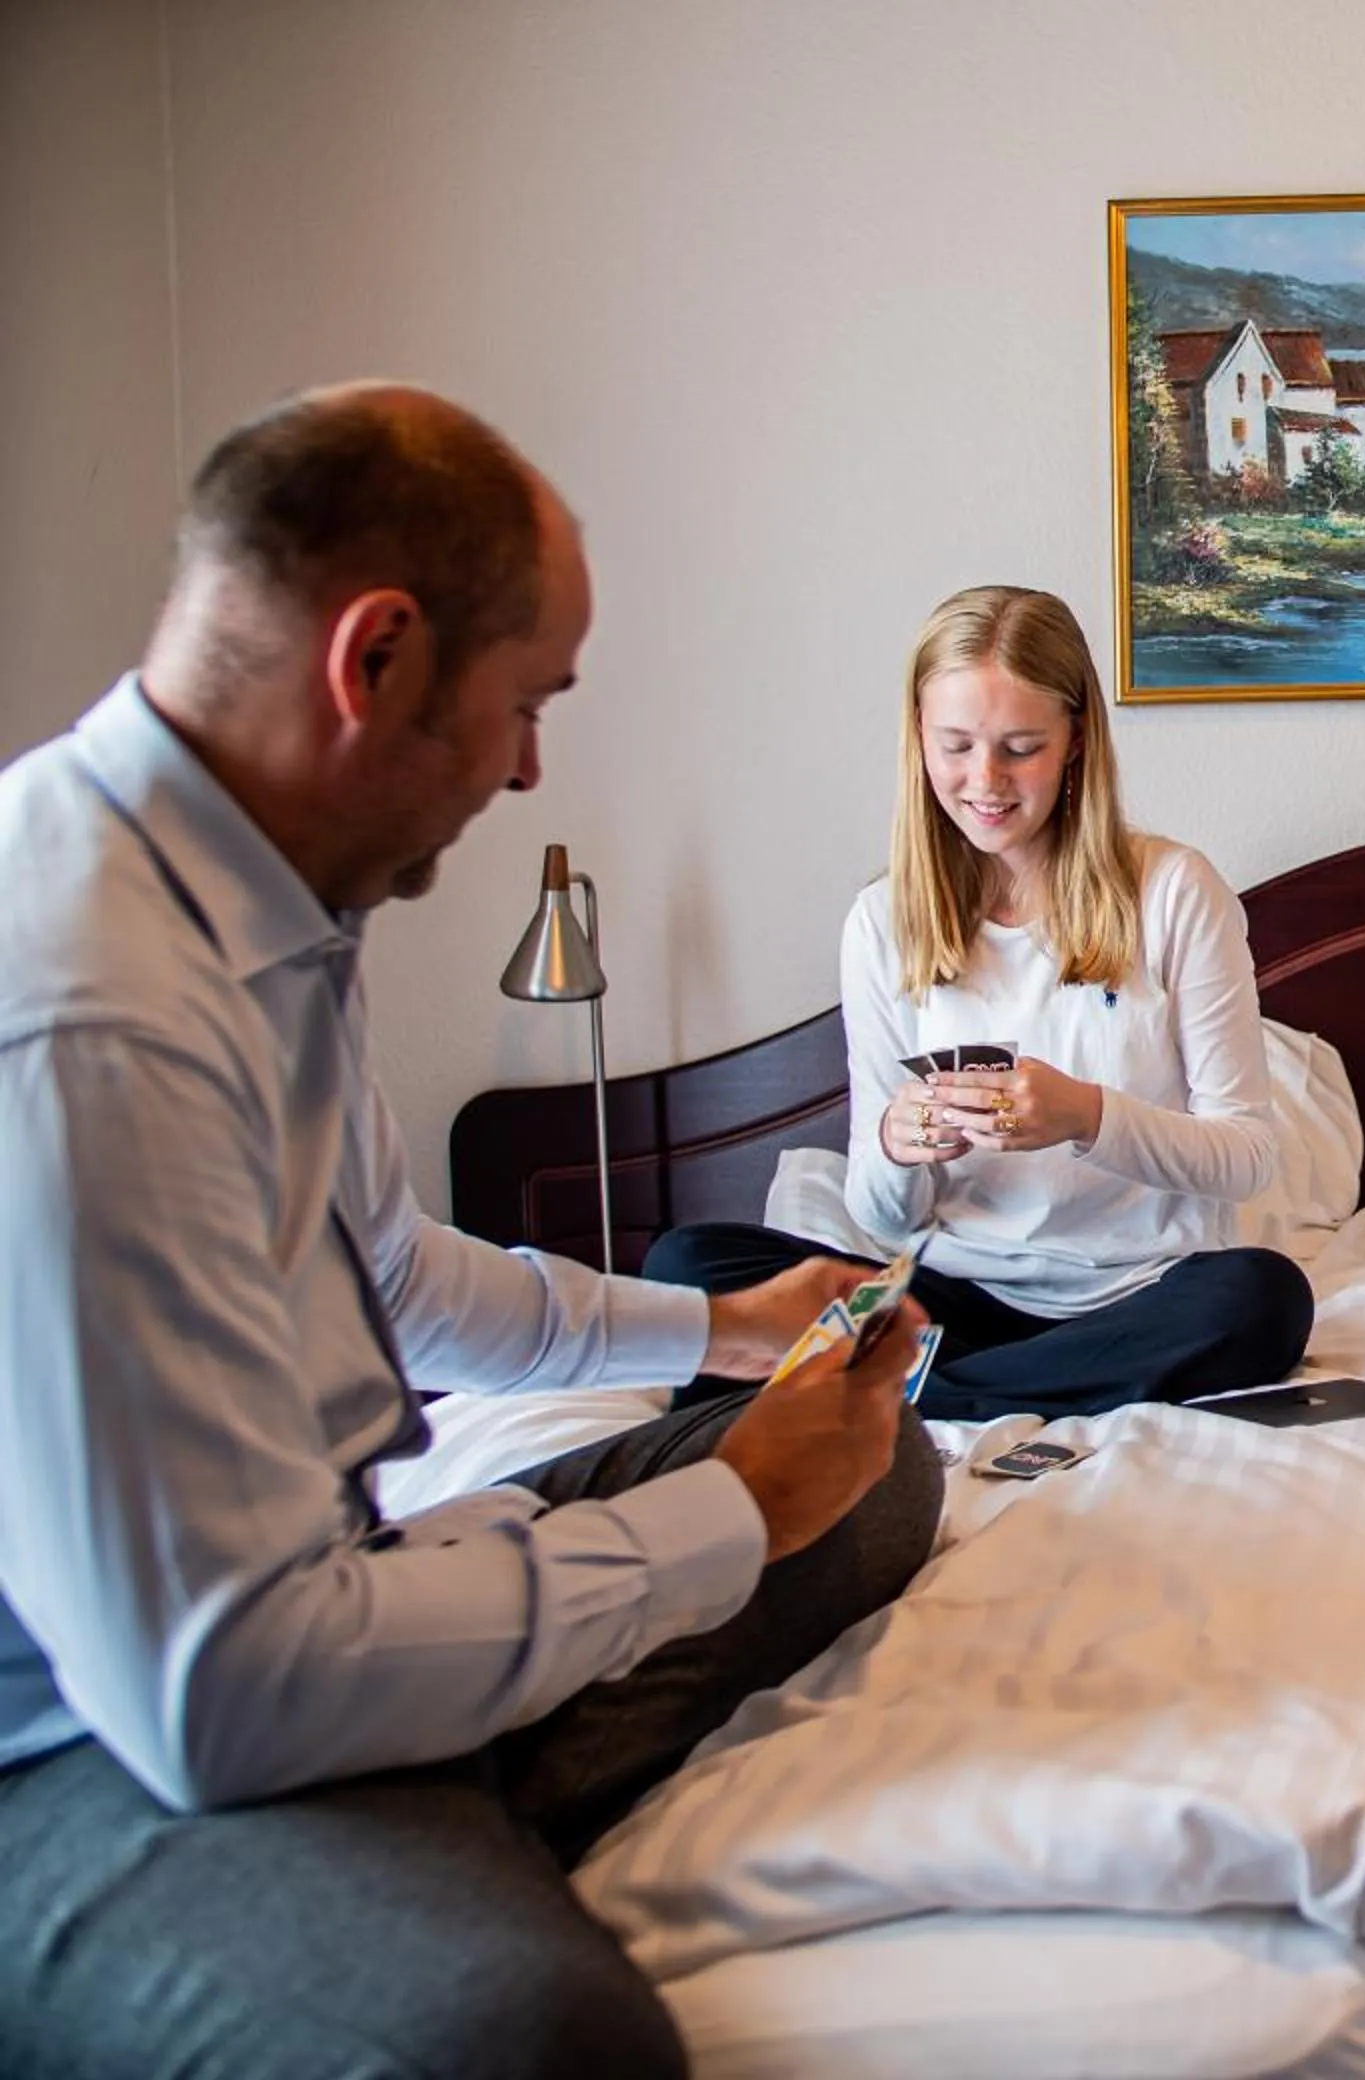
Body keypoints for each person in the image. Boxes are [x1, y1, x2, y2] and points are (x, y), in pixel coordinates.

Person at [0, 383, 945, 2079]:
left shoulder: (270, 914)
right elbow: (215, 1694)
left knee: (880, 1479)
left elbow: (392, 1280)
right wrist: (727, 1504)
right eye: (526, 706)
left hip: (314, 1595)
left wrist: (729, 1340)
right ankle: (397, 1848)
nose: (526, 767)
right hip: (97, 1738)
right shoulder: (92, 1014)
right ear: (376, 661)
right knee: (530, 2035)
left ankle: (412, 1798)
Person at [644, 585, 1312, 1421]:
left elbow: (1247, 1156)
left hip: (1137, 1299)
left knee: (1264, 1298)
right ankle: (971, 1384)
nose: (983, 782)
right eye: (955, 745)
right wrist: (896, 1143)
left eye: (1020, 748)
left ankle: (909, 1393)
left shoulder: (1175, 892)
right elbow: (882, 1220)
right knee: (687, 1263)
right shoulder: (883, 922)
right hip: (949, 1301)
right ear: (917, 738)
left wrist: (1085, 1117)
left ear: (1074, 742)